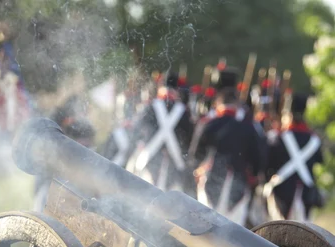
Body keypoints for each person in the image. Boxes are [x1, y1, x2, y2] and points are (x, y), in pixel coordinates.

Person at [191, 67, 266, 226]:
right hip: (238, 185)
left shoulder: (208, 123)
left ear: (218, 100)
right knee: (233, 231)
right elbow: (258, 160)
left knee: (206, 229)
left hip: (210, 181)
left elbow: (195, 155)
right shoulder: (249, 126)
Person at [125, 73, 194, 193]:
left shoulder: (149, 107)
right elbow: (189, 140)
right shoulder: (184, 113)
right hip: (173, 165)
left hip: (149, 162)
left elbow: (135, 132)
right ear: (177, 89)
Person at [264, 93, 324, 221]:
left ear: (288, 114)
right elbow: (320, 160)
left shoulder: (278, 138)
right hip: (306, 194)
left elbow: (269, 164)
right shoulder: (314, 139)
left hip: (282, 192)